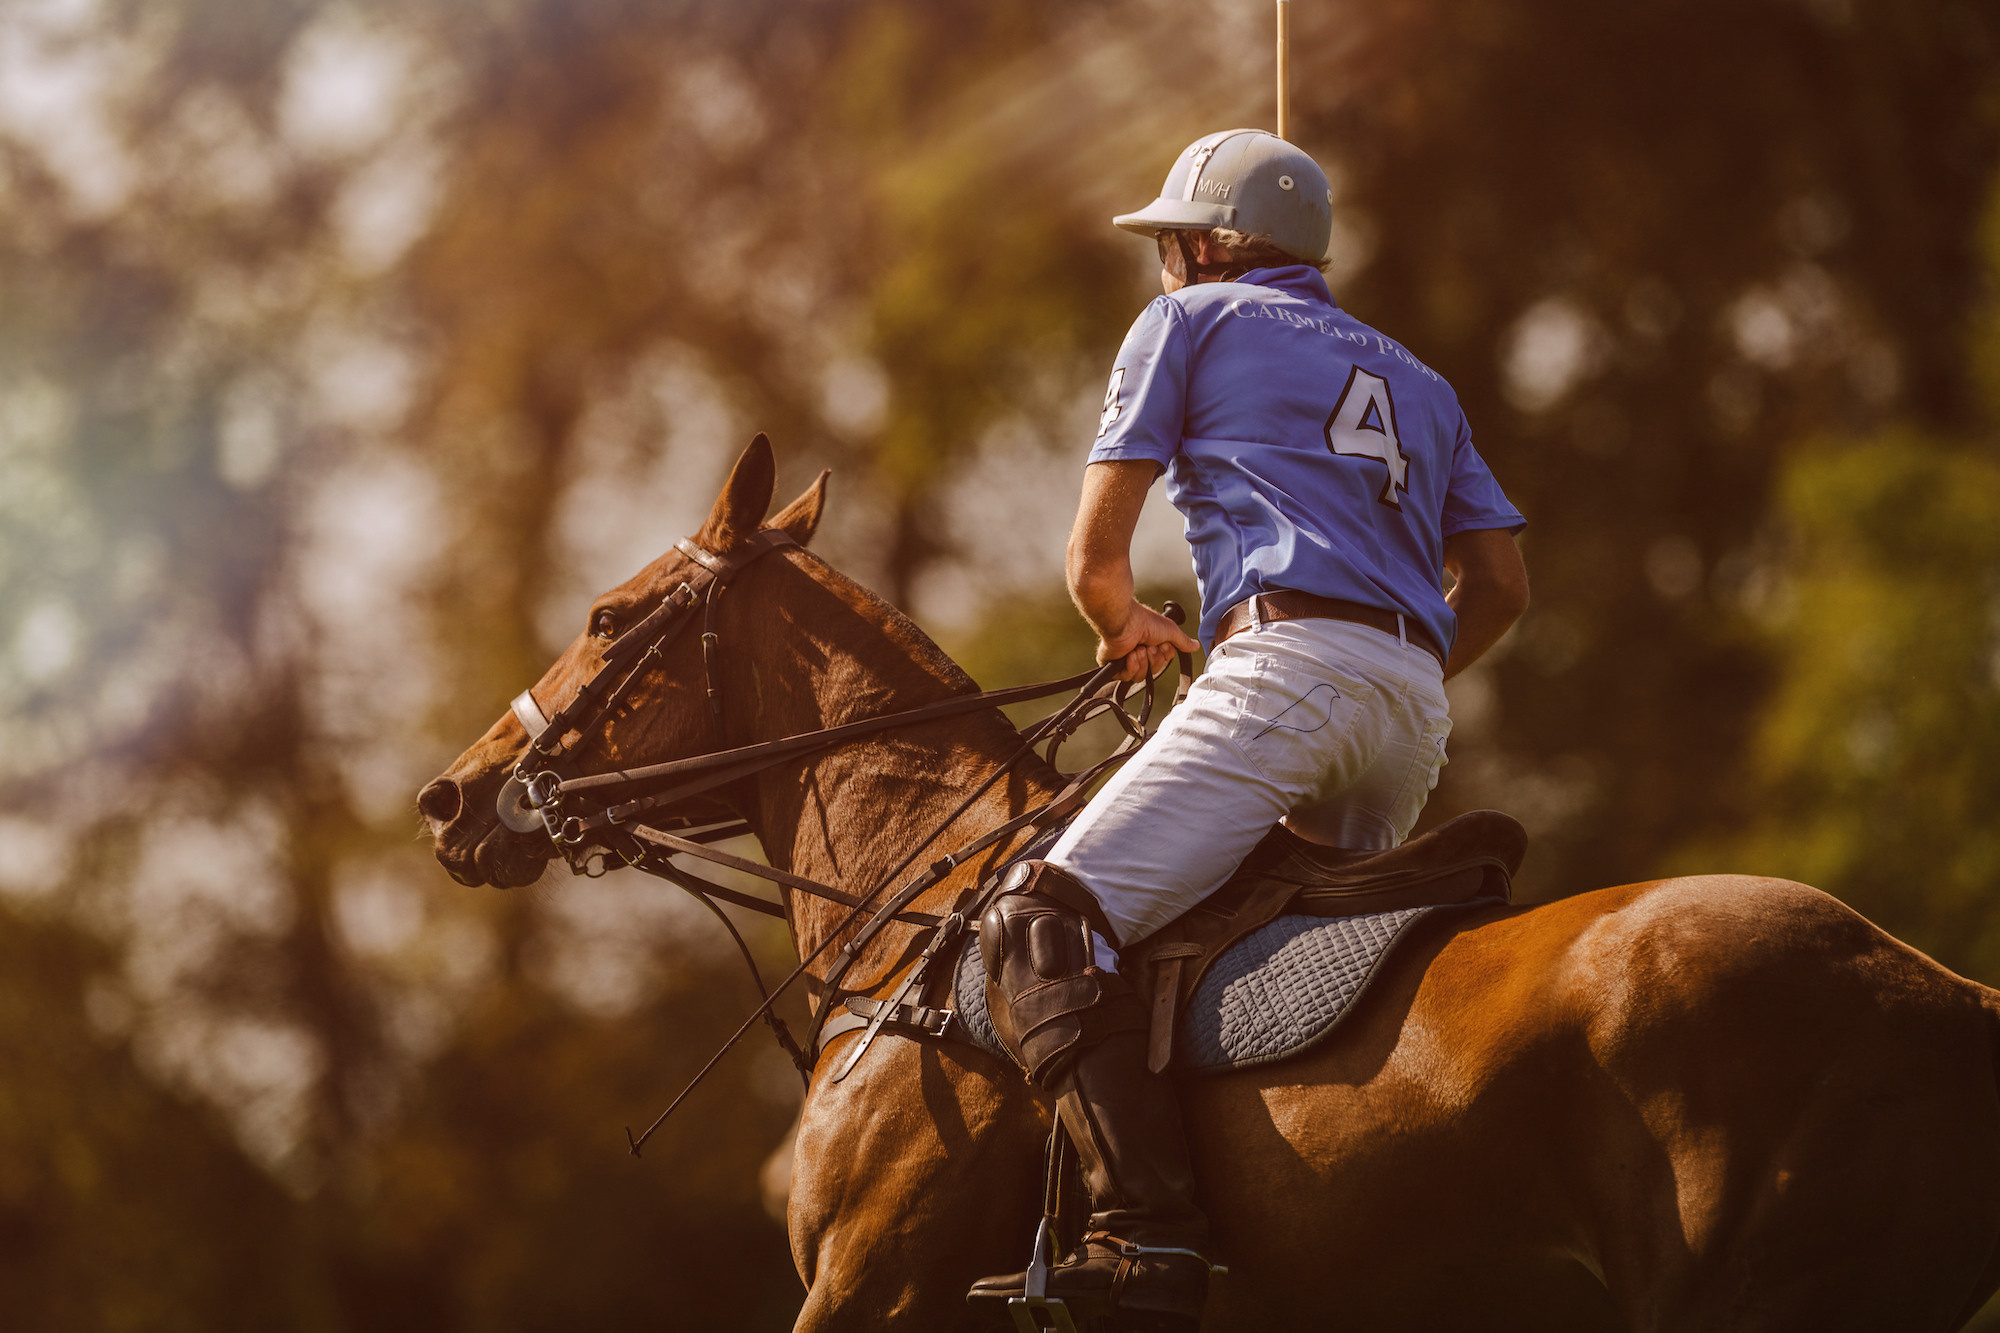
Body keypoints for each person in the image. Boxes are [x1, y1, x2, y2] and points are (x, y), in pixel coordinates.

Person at [967, 129, 1530, 1331]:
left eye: (1167, 243)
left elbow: (1094, 559)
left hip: (1282, 666)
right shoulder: (1422, 382)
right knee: (1263, 941)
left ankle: (1145, 1239)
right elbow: (1499, 586)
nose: (1162, 266)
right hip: (1411, 702)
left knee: (1041, 917)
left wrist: (1126, 623)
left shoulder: (1189, 320)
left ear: (1207, 244)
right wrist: (1408, 666)